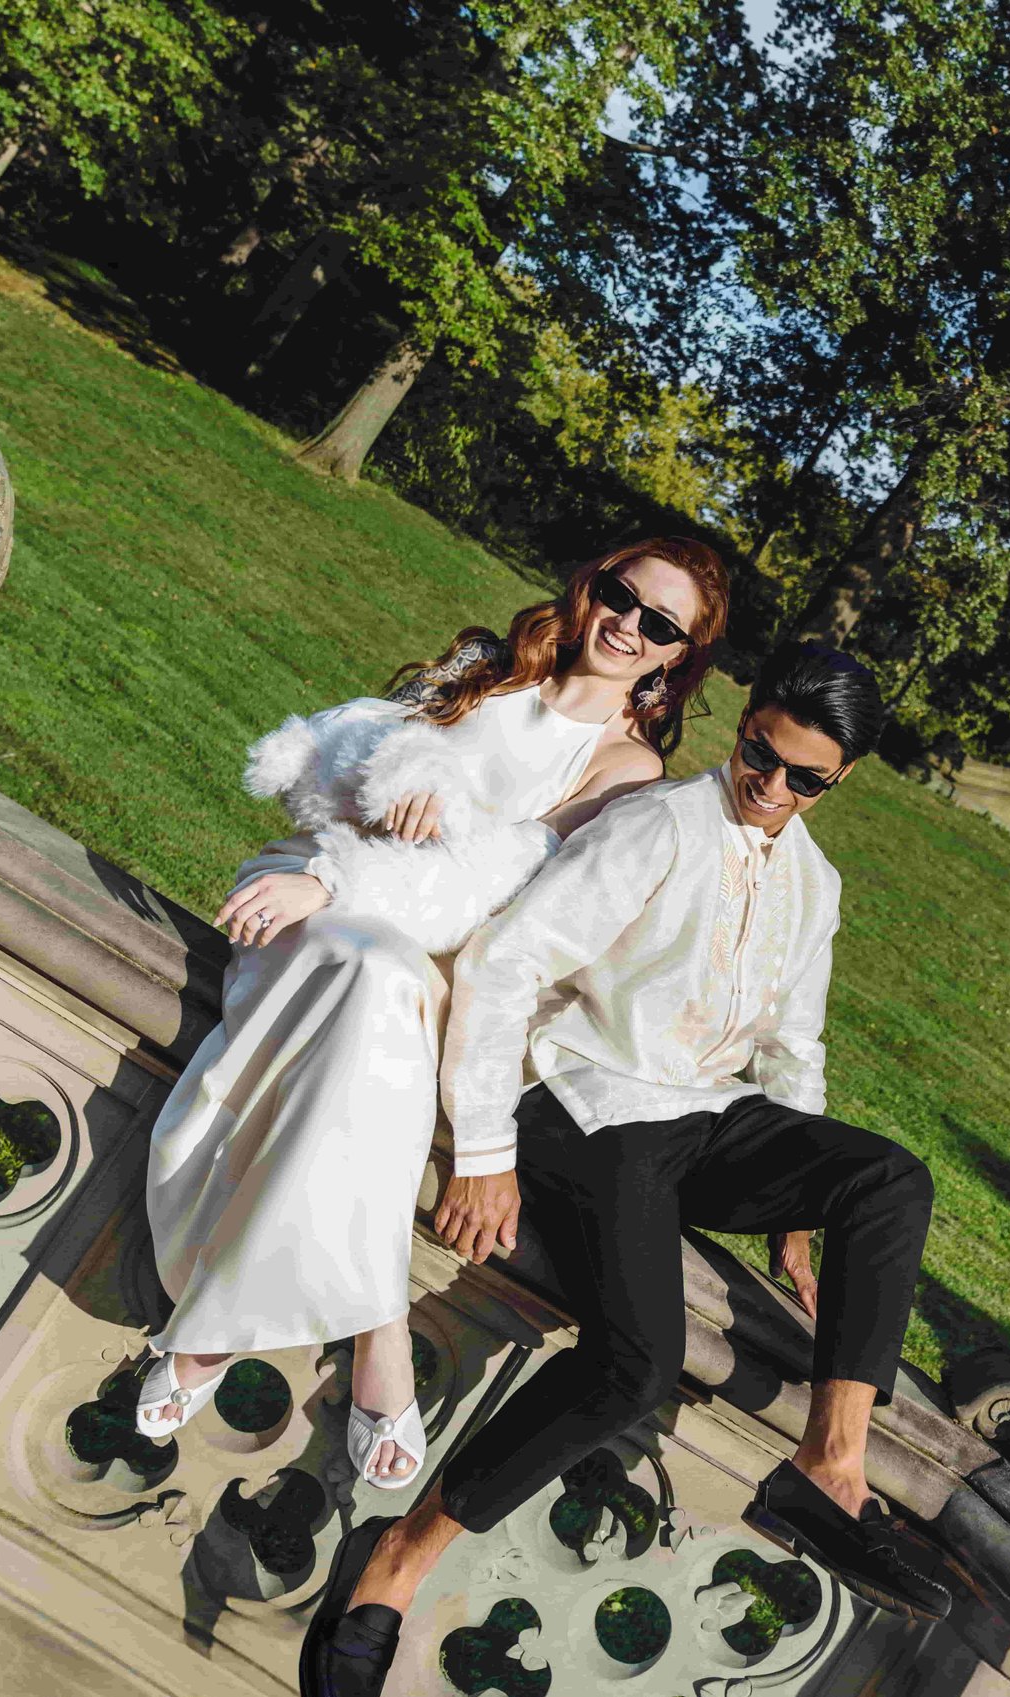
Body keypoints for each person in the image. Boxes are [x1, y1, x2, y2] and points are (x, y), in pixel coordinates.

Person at [298, 642, 951, 1697]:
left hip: (707, 1121)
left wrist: (797, 1210)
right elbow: (507, 965)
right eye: (759, 756)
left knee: (892, 1181)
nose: (770, 786)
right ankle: (400, 1558)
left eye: (804, 780)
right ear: (745, 724)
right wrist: (485, 1149)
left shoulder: (815, 883)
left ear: (842, 782)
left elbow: (794, 1045)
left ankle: (830, 1467)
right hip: (590, 1106)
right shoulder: (657, 826)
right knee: (634, 1365)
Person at [136, 539, 730, 1492]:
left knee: (384, 987)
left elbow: (493, 882)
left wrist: (340, 878)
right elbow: (327, 756)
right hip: (307, 894)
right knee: (374, 981)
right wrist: (368, 800)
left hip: (410, 942)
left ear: (678, 656)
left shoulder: (626, 770)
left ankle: (216, 1333)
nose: (628, 624)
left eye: (660, 623)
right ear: (592, 586)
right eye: (622, 595)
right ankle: (379, 1331)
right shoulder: (488, 669)